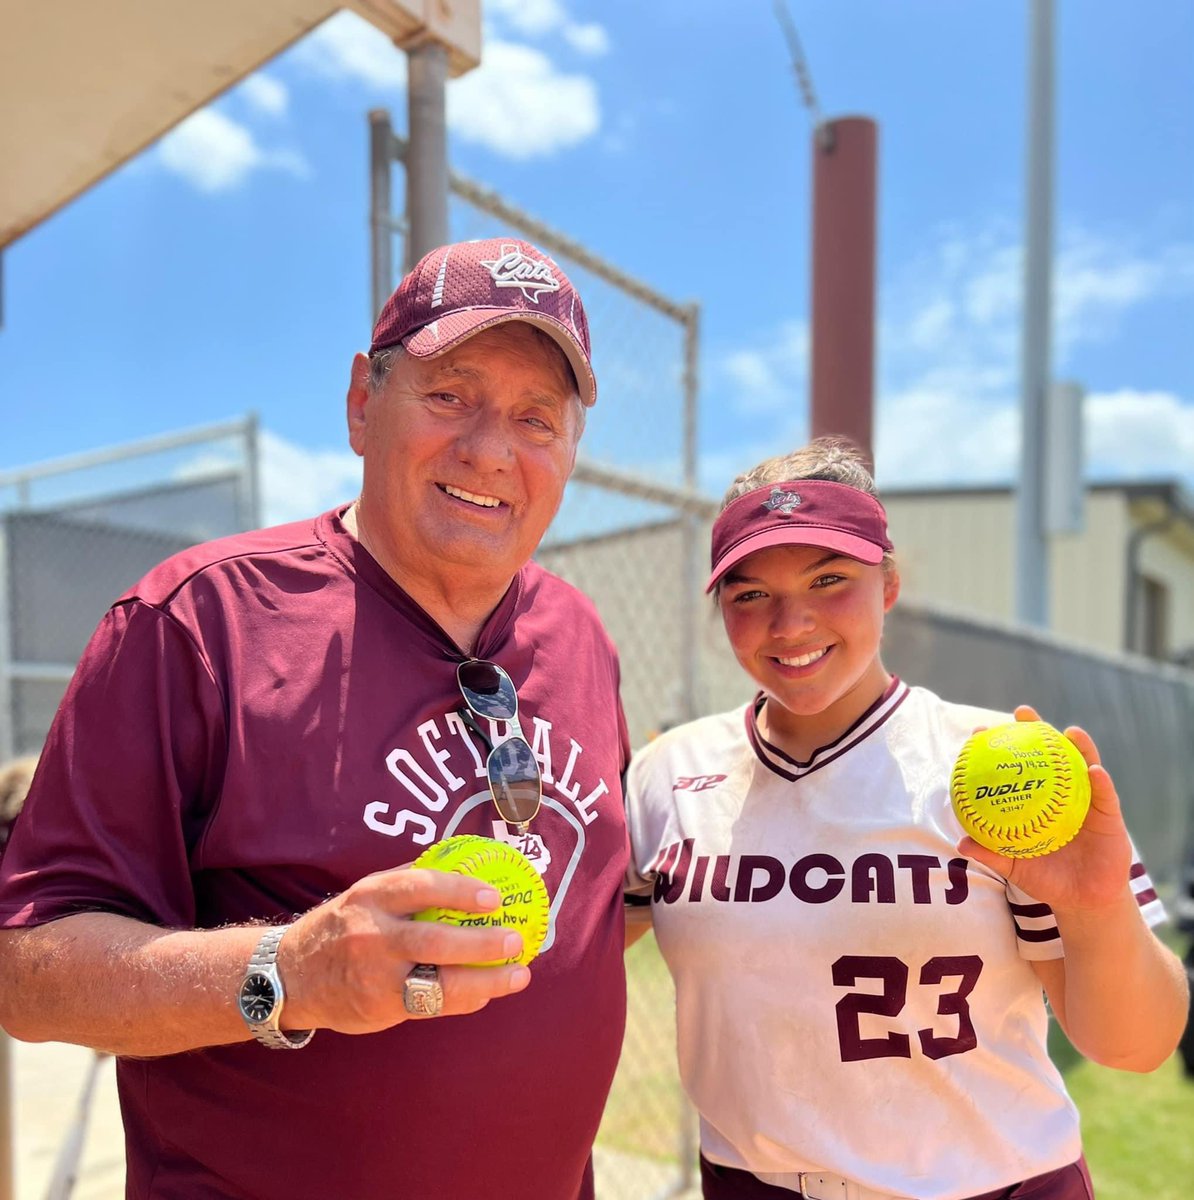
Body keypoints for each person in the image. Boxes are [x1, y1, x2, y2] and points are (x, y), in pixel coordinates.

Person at [0, 237, 631, 1200]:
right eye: (450, 394)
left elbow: (592, 906)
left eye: (536, 418)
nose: (491, 449)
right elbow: (30, 968)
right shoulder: (198, 622)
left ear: (569, 453)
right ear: (359, 405)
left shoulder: (579, 633)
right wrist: (292, 970)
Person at [624, 438, 1188, 1200]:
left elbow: (1137, 1046)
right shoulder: (669, 772)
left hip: (991, 1184)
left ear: (888, 584)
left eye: (830, 580)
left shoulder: (997, 768)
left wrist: (1098, 910)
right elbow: (572, 957)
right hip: (749, 1185)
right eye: (749, 593)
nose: (790, 622)